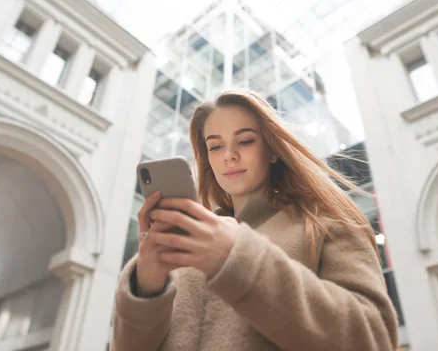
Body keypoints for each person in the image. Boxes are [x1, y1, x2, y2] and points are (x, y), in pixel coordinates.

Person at [110, 89, 398, 351]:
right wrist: (146, 287)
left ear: (272, 149)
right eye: (215, 146)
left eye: (245, 141)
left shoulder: (326, 224)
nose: (229, 156)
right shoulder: (189, 241)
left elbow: (373, 338)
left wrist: (237, 257)